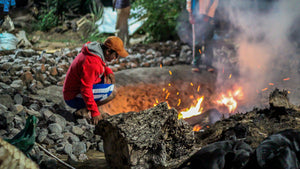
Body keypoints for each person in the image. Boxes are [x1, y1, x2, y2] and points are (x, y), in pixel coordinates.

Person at [63, 36, 129, 125]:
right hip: (72, 97)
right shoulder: (93, 63)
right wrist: (94, 112)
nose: (116, 59)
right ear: (108, 51)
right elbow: (85, 88)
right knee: (112, 92)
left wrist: (108, 71)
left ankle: (94, 109)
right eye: (116, 55)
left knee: (104, 78)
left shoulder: (95, 51)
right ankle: (84, 110)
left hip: (73, 91)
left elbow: (100, 64)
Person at [186, 0, 219, 72]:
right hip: (196, 15)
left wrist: (208, 15)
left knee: (208, 41)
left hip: (209, 16)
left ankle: (208, 64)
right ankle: (196, 63)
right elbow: (189, 1)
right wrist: (190, 15)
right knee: (197, 40)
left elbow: (215, 2)